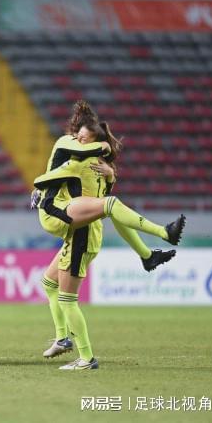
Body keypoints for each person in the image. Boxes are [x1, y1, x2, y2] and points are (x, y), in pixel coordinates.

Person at [33, 104, 185, 370]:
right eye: (79, 137)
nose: (79, 141)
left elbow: (51, 177)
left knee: (68, 299)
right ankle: (63, 339)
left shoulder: (79, 162)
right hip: (82, 227)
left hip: (80, 230)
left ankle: (86, 358)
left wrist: (41, 186)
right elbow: (102, 192)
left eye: (85, 138)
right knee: (48, 282)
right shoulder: (101, 166)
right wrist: (110, 166)